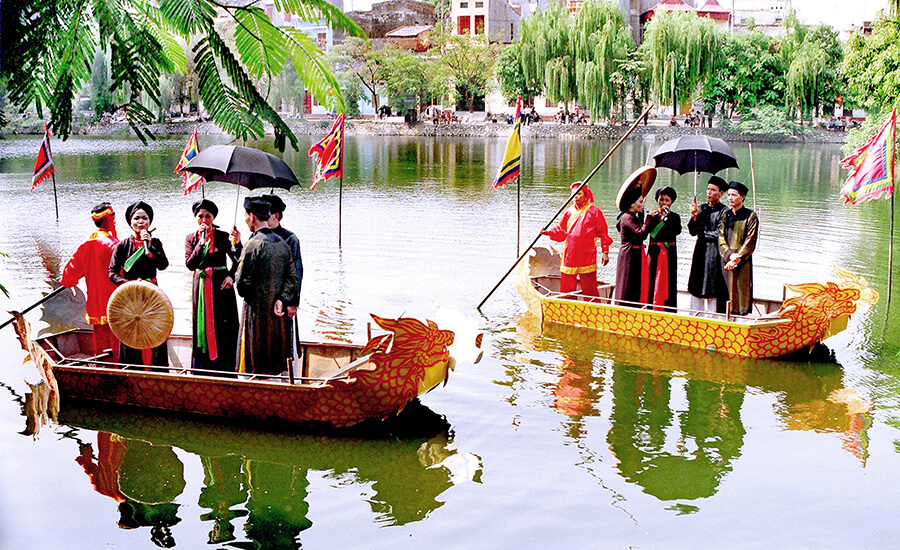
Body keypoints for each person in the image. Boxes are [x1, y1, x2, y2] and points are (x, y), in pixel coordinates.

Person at [234, 197, 299, 376]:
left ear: (252, 216)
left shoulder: (253, 245)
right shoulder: (282, 243)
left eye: (246, 216)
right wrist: (281, 299)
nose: (245, 220)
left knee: (254, 355)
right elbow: (292, 278)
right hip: (277, 312)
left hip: (256, 311)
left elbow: (241, 285)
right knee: (275, 354)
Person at [184, 199, 242, 374]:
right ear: (195, 217)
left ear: (213, 217)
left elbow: (238, 260)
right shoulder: (191, 238)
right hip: (201, 286)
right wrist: (200, 244)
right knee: (201, 324)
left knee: (224, 325)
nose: (204, 220)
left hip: (221, 286)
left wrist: (231, 277)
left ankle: (226, 368)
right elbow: (190, 264)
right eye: (200, 216)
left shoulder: (223, 236)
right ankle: (202, 368)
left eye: (208, 216)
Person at [109, 201, 169, 366]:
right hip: (131, 296)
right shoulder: (122, 245)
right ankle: (133, 372)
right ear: (130, 222)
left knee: (156, 330)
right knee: (131, 332)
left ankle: (158, 372)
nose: (140, 222)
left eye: (144, 218)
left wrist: (149, 247)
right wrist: (129, 284)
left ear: (150, 222)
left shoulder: (155, 242)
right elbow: (112, 273)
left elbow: (163, 265)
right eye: (136, 218)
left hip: (152, 295)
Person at [61, 202, 120, 361]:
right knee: (117, 336)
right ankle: (118, 366)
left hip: (95, 302)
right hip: (115, 299)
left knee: (100, 337)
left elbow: (68, 276)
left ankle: (102, 367)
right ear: (110, 219)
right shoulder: (114, 245)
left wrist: (77, 278)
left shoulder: (84, 244)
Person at [541, 182, 612, 298]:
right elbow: (561, 231)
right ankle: (568, 310)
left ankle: (592, 311)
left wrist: (605, 252)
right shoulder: (568, 212)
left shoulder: (595, 212)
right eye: (574, 194)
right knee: (567, 289)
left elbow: (603, 233)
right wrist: (548, 232)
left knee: (590, 288)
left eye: (579, 194)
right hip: (570, 254)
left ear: (585, 194)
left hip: (586, 254)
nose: (576, 197)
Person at [687, 176, 729, 315]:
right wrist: (694, 217)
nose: (709, 192)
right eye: (708, 189)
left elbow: (719, 234)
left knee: (713, 286)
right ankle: (694, 318)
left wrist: (702, 233)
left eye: (713, 190)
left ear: (721, 193)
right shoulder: (701, 208)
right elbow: (692, 232)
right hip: (700, 252)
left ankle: (713, 318)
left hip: (714, 254)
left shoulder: (725, 211)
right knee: (696, 284)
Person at [719, 181, 759, 316]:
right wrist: (729, 255)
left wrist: (737, 257)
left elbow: (750, 240)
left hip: (742, 261)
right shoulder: (726, 215)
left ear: (742, 197)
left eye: (734, 195)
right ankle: (724, 318)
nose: (730, 198)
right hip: (727, 259)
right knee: (725, 290)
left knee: (741, 290)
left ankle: (741, 319)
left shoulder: (750, 216)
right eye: (729, 195)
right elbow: (721, 237)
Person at [615, 185, 657, 307]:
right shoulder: (627, 218)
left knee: (635, 283)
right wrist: (649, 218)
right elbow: (641, 234)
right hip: (629, 255)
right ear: (632, 204)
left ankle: (635, 305)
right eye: (640, 202)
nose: (642, 205)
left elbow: (640, 224)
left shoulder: (632, 216)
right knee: (628, 283)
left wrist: (645, 216)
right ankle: (625, 307)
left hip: (634, 254)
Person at [647, 186, 682, 311]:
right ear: (657, 200)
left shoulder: (675, 217)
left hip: (669, 253)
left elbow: (677, 230)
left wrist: (668, 216)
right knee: (651, 279)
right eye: (661, 200)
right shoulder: (652, 216)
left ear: (671, 202)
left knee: (669, 280)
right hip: (654, 252)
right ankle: (651, 307)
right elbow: (646, 231)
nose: (663, 203)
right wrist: (649, 218)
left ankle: (669, 309)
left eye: (667, 200)